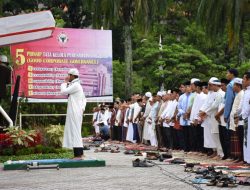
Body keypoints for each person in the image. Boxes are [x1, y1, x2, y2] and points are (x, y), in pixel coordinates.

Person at [61, 68, 86, 159]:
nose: (67, 76)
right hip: (75, 111)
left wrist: (64, 82)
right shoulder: (76, 85)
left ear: (72, 76)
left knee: (75, 131)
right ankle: (79, 153)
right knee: (75, 131)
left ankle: (78, 154)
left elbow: (63, 91)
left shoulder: (76, 85)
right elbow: (84, 99)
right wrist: (82, 108)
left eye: (68, 75)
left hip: (75, 111)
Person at [224, 68, 238, 160]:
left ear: (232, 74)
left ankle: (232, 155)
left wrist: (226, 115)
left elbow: (228, 101)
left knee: (232, 135)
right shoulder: (238, 82)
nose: (226, 75)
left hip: (233, 111)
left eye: (227, 73)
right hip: (238, 111)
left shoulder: (230, 85)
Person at [229, 78, 244, 162]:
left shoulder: (241, 94)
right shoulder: (238, 94)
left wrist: (236, 117)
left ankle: (241, 157)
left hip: (239, 120)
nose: (233, 87)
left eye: (234, 85)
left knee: (239, 140)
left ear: (238, 86)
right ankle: (238, 157)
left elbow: (240, 108)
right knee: (236, 140)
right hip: (235, 120)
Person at [238, 71, 250, 164]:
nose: (243, 81)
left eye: (244, 79)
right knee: (246, 140)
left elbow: (248, 107)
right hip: (247, 118)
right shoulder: (246, 91)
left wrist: (242, 116)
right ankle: (247, 159)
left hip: (247, 117)